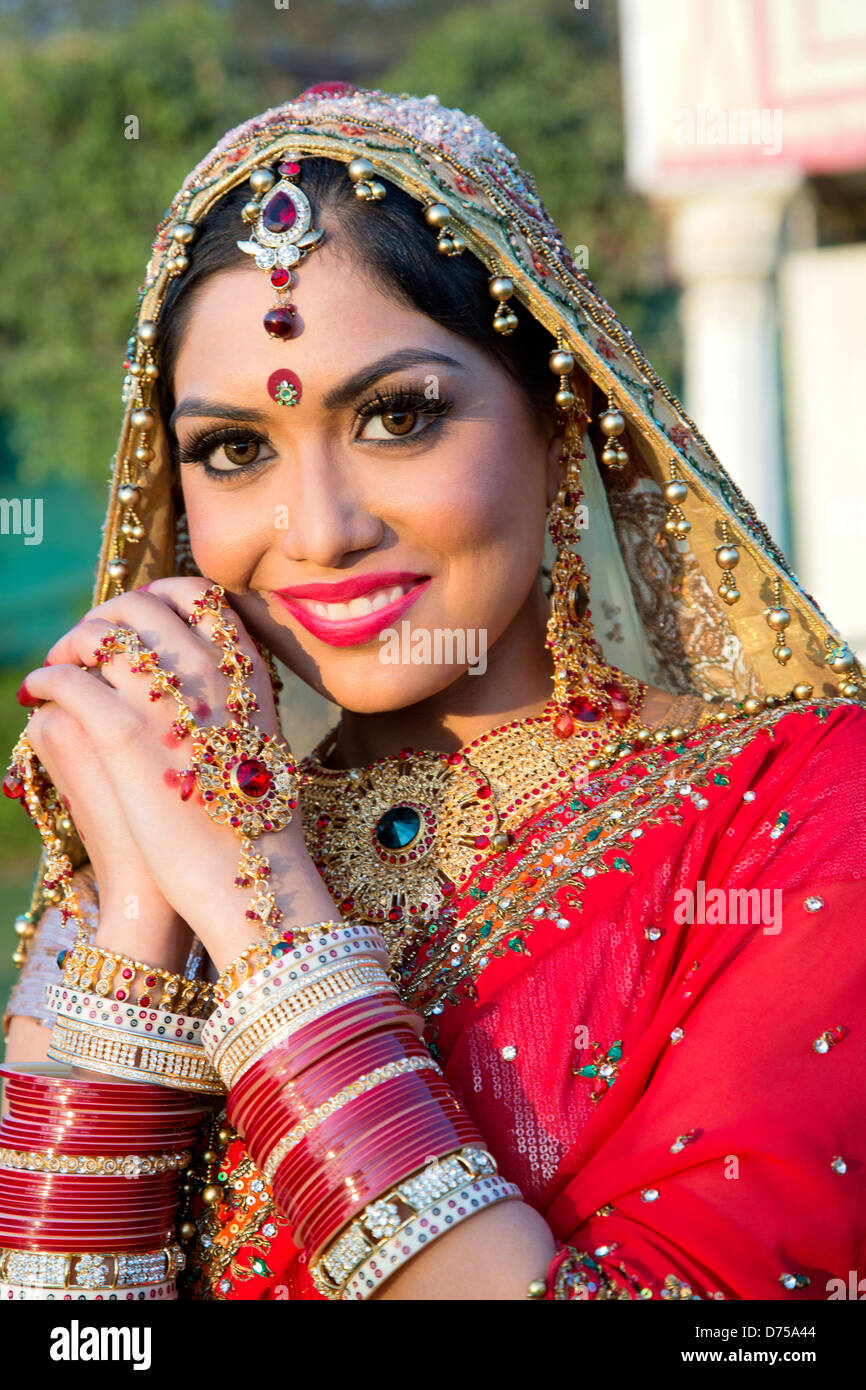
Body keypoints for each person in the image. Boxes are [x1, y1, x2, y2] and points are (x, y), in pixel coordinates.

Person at [3, 81, 865, 1303]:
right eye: (235, 450)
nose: (321, 529)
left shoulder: (798, 809)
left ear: (565, 419)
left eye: (398, 417)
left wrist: (257, 901)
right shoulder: (146, 844)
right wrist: (143, 908)